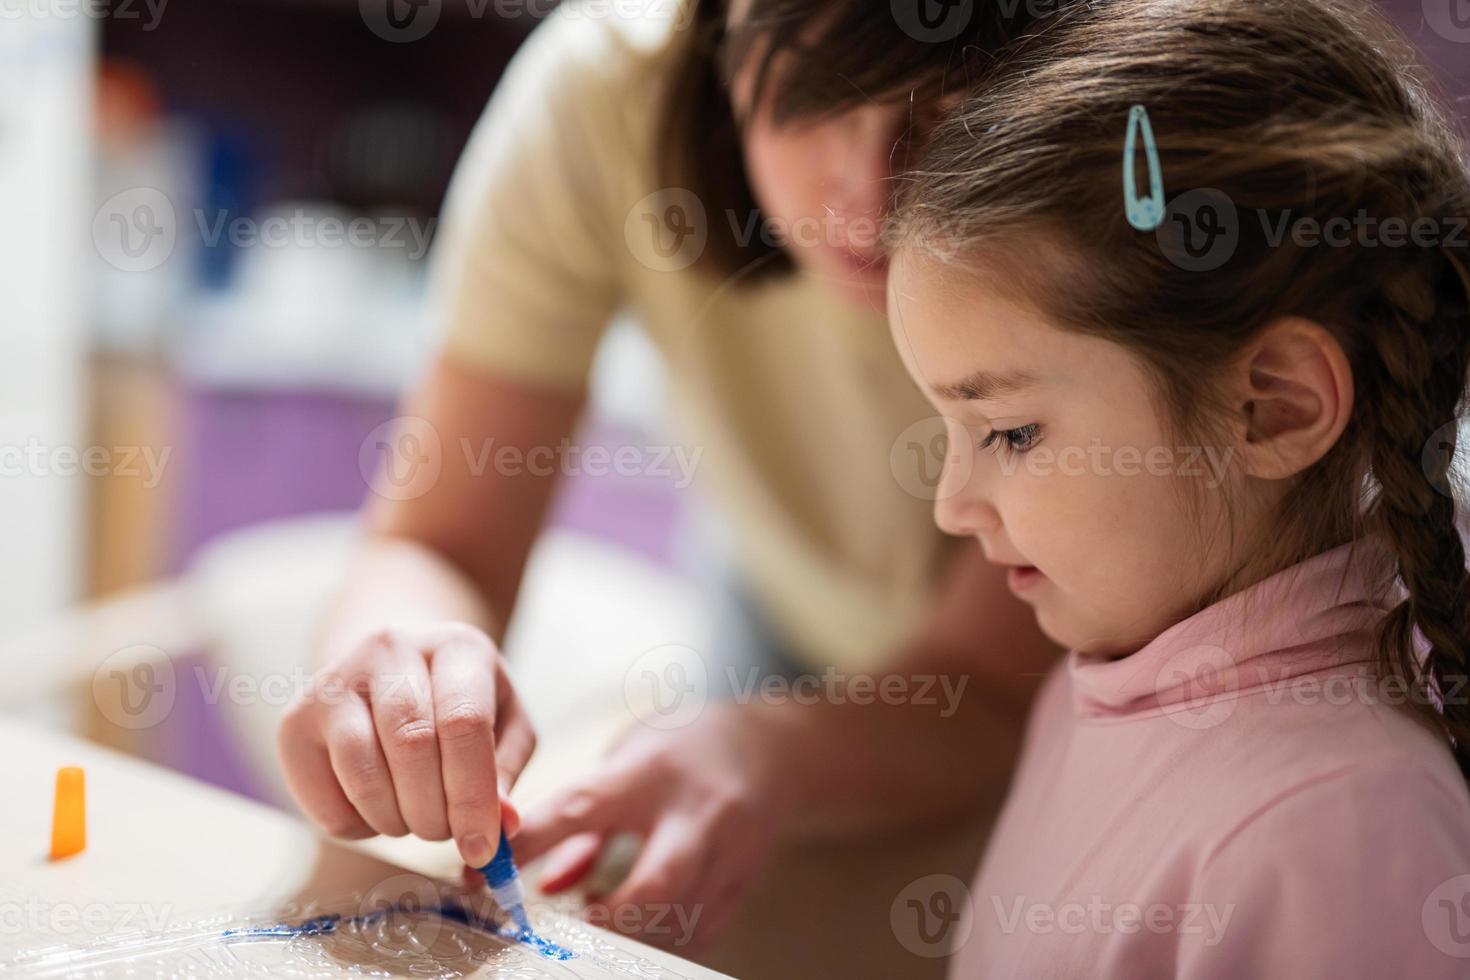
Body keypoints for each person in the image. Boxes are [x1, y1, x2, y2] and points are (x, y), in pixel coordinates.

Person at [275, 0, 1061, 953]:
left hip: (1055, 705)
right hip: (772, 625)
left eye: (943, 114)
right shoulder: (605, 90)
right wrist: (401, 656)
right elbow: (439, 538)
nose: (863, 197)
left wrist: (760, 752)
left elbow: (984, 687)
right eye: (809, 96)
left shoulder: (1115, 115)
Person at [874, 0, 1470, 972]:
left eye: (1011, 431)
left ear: (1272, 406)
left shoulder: (1337, 833)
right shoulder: (1119, 649)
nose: (952, 503)